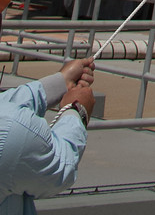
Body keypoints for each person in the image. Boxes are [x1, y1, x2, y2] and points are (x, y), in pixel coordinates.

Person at [0, 56, 92, 215]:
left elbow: (5, 107)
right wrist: (77, 111)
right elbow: (61, 168)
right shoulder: (11, 131)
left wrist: (58, 83)